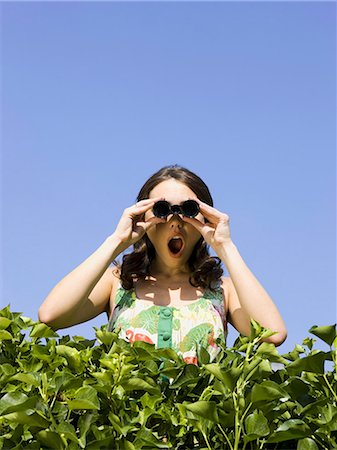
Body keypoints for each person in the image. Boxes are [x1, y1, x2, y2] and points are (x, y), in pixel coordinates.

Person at [39, 165, 287, 365]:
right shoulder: (118, 282)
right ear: (142, 215)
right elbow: (52, 315)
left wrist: (226, 247)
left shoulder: (223, 291)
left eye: (188, 210)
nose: (175, 220)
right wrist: (116, 241)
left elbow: (272, 334)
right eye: (161, 209)